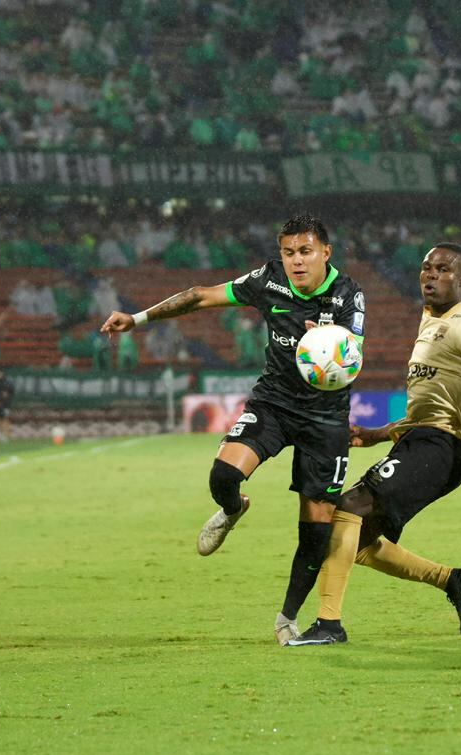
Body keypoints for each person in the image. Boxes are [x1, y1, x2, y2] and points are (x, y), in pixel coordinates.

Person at [101, 213, 366, 645]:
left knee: (316, 524)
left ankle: (287, 619)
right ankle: (233, 508)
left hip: (325, 418)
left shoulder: (348, 295)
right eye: (289, 252)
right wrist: (138, 319)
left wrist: (329, 341)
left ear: (325, 253)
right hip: (274, 403)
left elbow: (354, 354)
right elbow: (201, 296)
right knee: (223, 475)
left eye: (305, 252)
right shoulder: (269, 280)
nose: (297, 261)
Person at [286, 243, 461, 646]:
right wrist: (378, 434)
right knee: (354, 539)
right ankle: (456, 581)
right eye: (426, 268)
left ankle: (329, 625)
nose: (431, 276)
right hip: (420, 440)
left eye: (443, 270)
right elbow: (429, 406)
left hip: (441, 449)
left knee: (348, 507)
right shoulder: (431, 321)